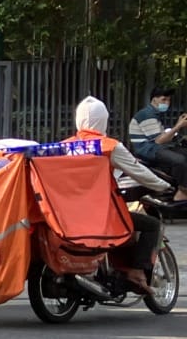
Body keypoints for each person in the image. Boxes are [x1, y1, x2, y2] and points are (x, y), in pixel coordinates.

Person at [74, 96, 167, 293]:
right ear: (104, 120)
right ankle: (136, 271)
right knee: (153, 225)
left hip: (71, 215)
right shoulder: (109, 146)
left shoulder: (64, 146)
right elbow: (139, 172)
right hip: (103, 214)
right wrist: (164, 186)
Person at [128, 86, 187, 193]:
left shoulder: (155, 114)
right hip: (148, 150)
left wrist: (178, 124)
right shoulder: (147, 115)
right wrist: (178, 126)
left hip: (156, 147)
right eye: (163, 99)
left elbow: (164, 137)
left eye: (168, 100)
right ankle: (182, 192)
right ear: (154, 99)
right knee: (180, 161)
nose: (167, 103)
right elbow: (159, 140)